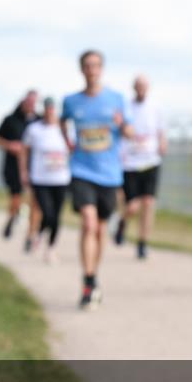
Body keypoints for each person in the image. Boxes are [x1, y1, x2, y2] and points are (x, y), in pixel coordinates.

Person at [61, 50, 132, 309]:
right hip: (82, 170)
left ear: (102, 69)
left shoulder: (116, 99)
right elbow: (62, 122)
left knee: (100, 229)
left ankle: (94, 274)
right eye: (87, 66)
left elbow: (130, 132)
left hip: (109, 173)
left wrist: (121, 124)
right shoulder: (70, 101)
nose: (92, 70)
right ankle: (88, 280)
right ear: (82, 69)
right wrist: (69, 142)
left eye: (96, 65)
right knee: (89, 223)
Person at [115, 74, 167, 260]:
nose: (141, 89)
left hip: (151, 160)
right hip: (130, 162)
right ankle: (122, 222)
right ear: (134, 88)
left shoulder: (156, 107)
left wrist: (162, 143)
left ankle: (142, 242)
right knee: (133, 206)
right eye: (138, 86)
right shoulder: (126, 107)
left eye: (144, 86)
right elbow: (119, 131)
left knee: (148, 203)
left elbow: (161, 131)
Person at [18, 97, 71, 264]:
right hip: (41, 178)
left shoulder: (64, 129)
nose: (50, 112)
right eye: (47, 109)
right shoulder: (34, 129)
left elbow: (73, 149)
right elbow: (24, 151)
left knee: (56, 216)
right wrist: (24, 171)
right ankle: (39, 234)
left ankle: (50, 248)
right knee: (47, 213)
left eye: (52, 109)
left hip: (61, 178)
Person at [0, 91, 40, 242]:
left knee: (36, 199)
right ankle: (12, 217)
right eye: (29, 102)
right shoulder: (10, 120)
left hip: (36, 165)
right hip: (13, 165)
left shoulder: (39, 121)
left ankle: (31, 232)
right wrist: (9, 145)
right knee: (16, 196)